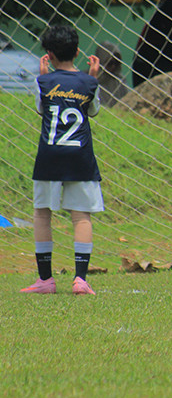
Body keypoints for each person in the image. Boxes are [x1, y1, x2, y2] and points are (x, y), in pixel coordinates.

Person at [21, 24, 103, 295]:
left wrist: (45, 77)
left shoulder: (42, 82)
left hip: (50, 156)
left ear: (49, 54)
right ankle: (80, 279)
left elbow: (41, 109)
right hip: (80, 156)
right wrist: (92, 78)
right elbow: (93, 111)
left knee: (42, 214)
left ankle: (45, 280)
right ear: (78, 52)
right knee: (81, 217)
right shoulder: (89, 82)